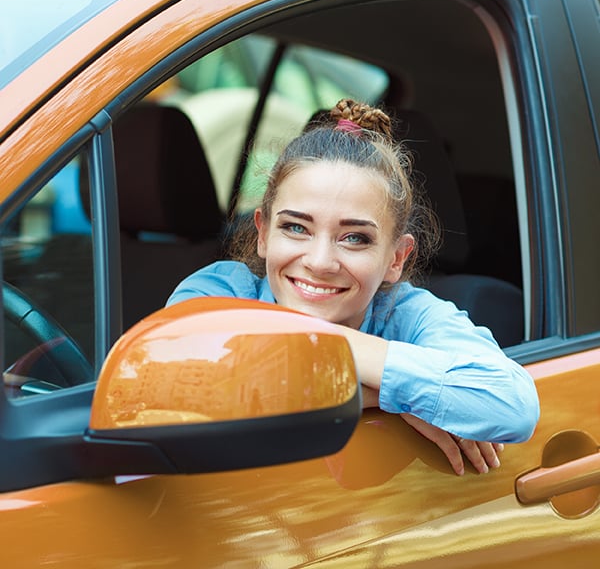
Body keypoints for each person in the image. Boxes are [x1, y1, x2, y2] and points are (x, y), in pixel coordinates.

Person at [167, 99, 540, 476]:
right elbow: (184, 387)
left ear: (396, 259)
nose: (320, 261)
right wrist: (394, 398)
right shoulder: (216, 292)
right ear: (263, 233)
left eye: (355, 238)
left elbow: (512, 406)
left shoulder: (408, 312)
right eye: (296, 228)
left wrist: (335, 346)